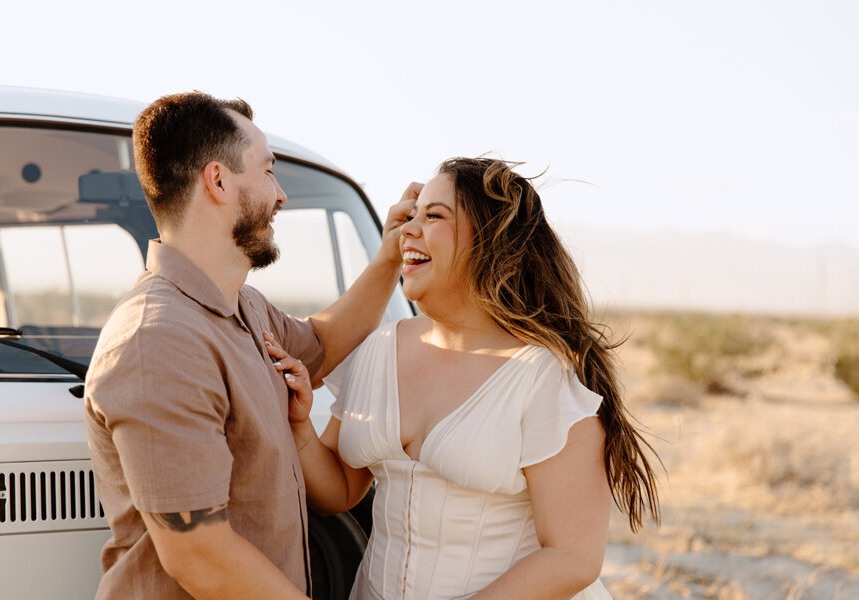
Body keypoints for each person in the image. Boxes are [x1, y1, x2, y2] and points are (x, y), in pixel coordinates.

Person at [266, 157, 661, 599]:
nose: (407, 231)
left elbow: (572, 557)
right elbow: (339, 491)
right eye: (409, 217)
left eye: (434, 216)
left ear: (493, 240)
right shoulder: (379, 350)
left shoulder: (546, 376)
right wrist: (300, 426)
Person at [83, 91, 419, 599]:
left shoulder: (246, 307)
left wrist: (389, 256)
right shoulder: (157, 341)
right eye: (267, 172)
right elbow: (200, 553)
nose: (281, 195)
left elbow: (323, 345)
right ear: (218, 181)